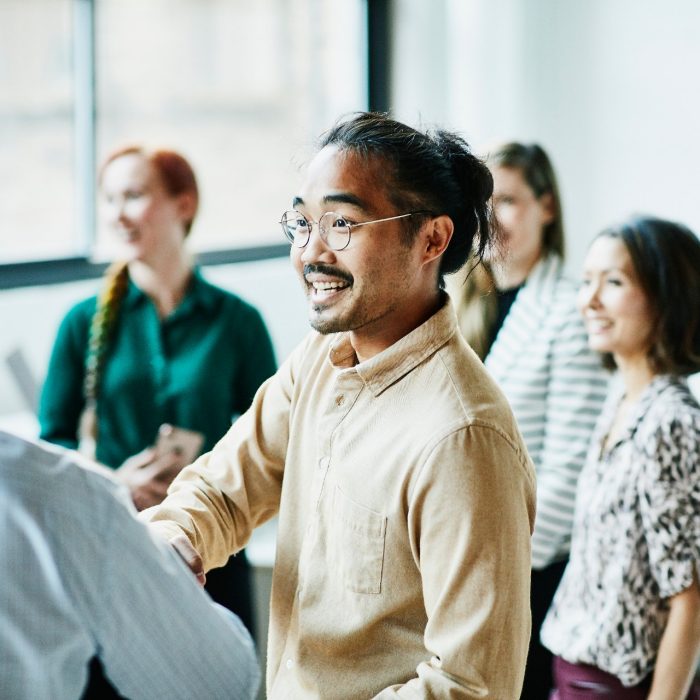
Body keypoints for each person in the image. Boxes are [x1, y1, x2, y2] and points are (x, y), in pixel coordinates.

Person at [143, 111, 536, 698]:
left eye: (342, 223)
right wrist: (178, 539)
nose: (310, 252)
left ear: (432, 238)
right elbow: (223, 490)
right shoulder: (319, 360)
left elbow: (470, 683)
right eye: (302, 222)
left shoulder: (464, 435)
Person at [38, 145, 276, 638]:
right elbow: (51, 447)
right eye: (109, 199)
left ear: (183, 205)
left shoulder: (237, 322)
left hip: (212, 553)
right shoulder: (80, 324)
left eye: (134, 196)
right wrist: (111, 483)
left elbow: (273, 442)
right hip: (112, 546)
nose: (116, 214)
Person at [446, 141, 609, 698]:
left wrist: (506, 573)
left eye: (508, 200)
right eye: (483, 203)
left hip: (533, 575)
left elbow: (566, 473)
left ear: (547, 207)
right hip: (475, 567)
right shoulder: (466, 309)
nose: (492, 217)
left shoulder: (569, 311)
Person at [540, 216, 700, 699]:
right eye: (587, 282)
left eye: (613, 282)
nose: (588, 301)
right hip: (575, 669)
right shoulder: (621, 399)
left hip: (620, 684)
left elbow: (690, 599)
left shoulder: (670, 420)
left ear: (665, 296)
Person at [0, 430, 260, 700]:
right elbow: (217, 684)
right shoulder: (60, 491)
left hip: (200, 552)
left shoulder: (56, 490)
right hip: (120, 538)